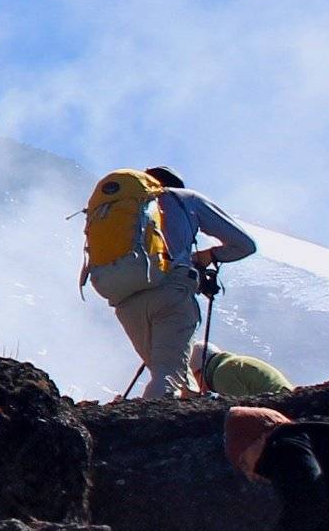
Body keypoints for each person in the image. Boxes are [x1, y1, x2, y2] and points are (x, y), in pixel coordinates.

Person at [91, 168, 258, 398]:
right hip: (170, 294)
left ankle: (178, 414)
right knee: (168, 375)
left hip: (125, 301)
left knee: (175, 379)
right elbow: (245, 245)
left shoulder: (127, 208)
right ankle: (149, 430)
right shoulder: (185, 199)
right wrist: (206, 257)